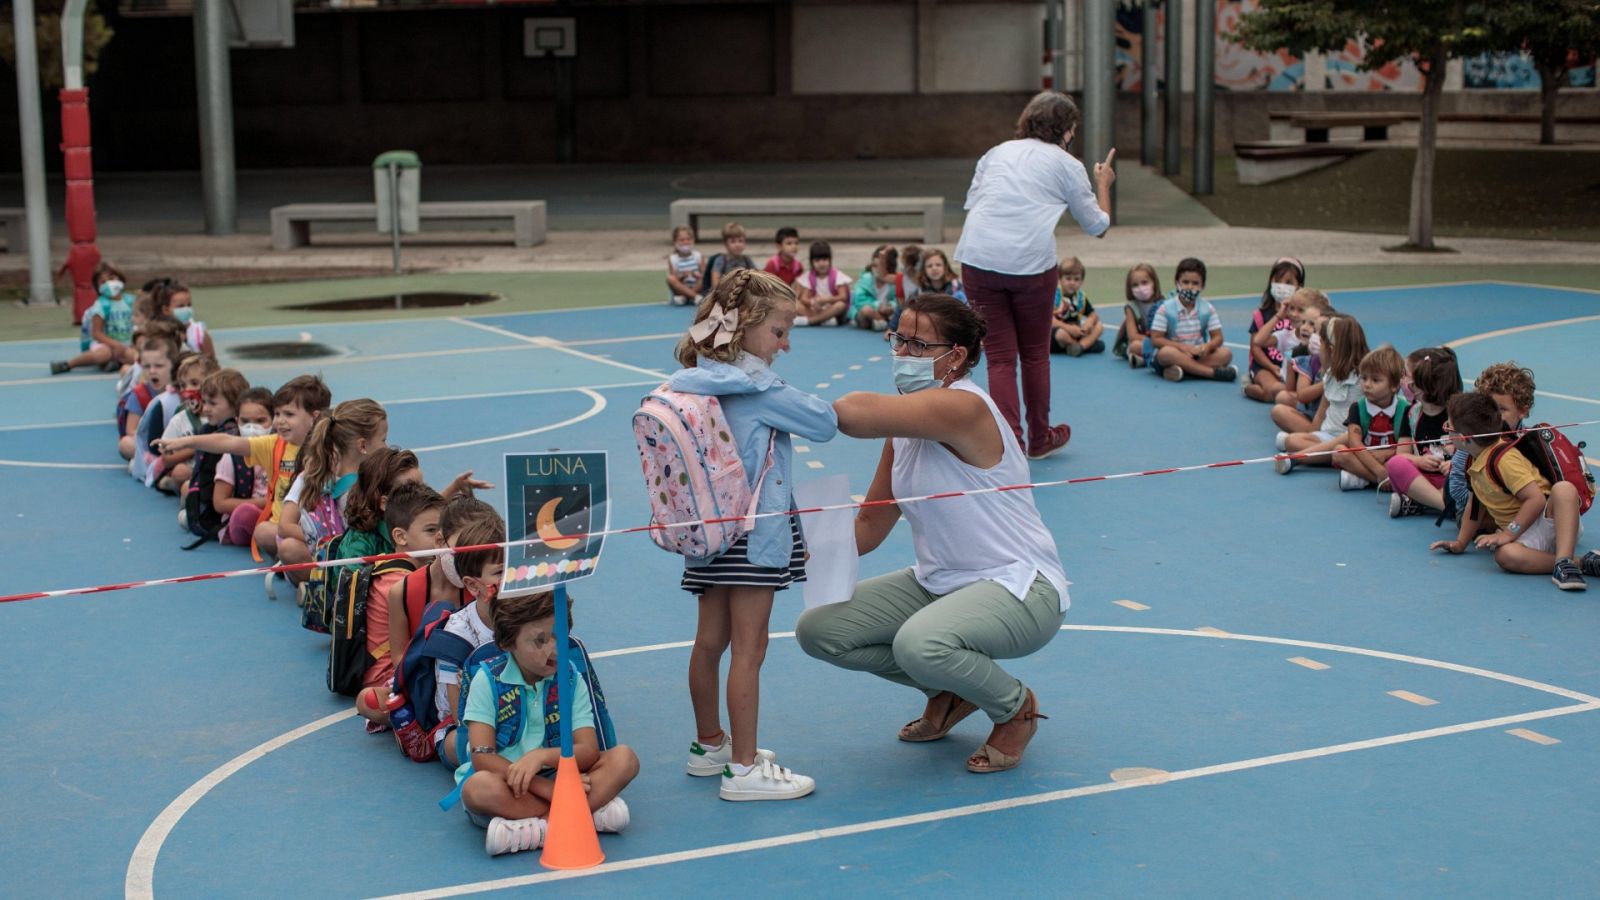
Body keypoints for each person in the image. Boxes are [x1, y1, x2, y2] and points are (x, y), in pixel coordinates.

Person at [798, 294, 1069, 774]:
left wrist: (775, 405)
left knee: (918, 644)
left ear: (956, 356)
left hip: (1020, 585)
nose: (902, 353)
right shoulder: (903, 430)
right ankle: (949, 690)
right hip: (940, 583)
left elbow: (853, 411)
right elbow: (868, 526)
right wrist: (788, 551)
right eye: (898, 339)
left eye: (918, 345)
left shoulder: (962, 408)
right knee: (819, 631)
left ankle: (1013, 708)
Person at [668, 269, 838, 801]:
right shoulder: (758, 386)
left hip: (707, 530)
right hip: (751, 536)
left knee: (709, 642)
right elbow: (824, 422)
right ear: (744, 329)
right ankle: (743, 770)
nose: (785, 344)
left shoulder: (694, 378)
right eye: (780, 332)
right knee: (750, 648)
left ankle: (709, 746)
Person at [953, 90, 1114, 460]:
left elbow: (976, 202)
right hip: (1030, 266)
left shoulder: (996, 152)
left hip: (977, 258)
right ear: (1068, 130)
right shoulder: (1067, 164)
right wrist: (1103, 183)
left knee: (1000, 358)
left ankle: (1009, 443)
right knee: (1035, 355)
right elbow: (1098, 227)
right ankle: (1039, 437)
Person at [455, 590, 640, 856]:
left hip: (565, 777)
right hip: (510, 783)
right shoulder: (487, 680)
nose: (553, 648)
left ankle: (539, 829)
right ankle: (581, 816)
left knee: (624, 758)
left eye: (558, 634)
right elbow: (482, 757)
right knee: (477, 789)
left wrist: (542, 757)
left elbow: (588, 751)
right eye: (539, 641)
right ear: (508, 643)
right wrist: (547, 788)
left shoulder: (570, 678)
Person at [158, 375, 331, 588]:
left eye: (289, 414)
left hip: (323, 531)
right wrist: (186, 441)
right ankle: (305, 577)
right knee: (266, 533)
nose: (279, 421)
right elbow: (228, 442)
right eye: (277, 414)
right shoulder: (274, 445)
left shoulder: (330, 450)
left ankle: (311, 578)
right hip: (286, 530)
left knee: (292, 544)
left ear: (315, 417)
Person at [1431, 392, 1599, 591]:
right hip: (1526, 536)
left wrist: (1508, 534)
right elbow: (1474, 506)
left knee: (1563, 489)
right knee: (1504, 555)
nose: (1447, 432)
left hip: (1551, 521)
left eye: (1448, 427)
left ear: (1462, 438)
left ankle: (1564, 562)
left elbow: (1535, 500)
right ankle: (1581, 563)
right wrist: (1460, 544)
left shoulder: (1504, 459)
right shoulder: (1474, 460)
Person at [353, 482, 446, 727]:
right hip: (392, 674)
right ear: (400, 536)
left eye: (443, 532)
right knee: (371, 701)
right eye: (431, 531)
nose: (440, 539)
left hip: (417, 662)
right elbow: (419, 643)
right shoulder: (399, 582)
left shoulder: (408, 566)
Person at [276, 399, 390, 586]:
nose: (386, 447)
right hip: (358, 575)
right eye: (383, 440)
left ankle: (317, 587)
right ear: (362, 446)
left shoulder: (337, 486)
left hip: (336, 563)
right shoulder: (361, 492)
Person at [1275, 315, 1368, 475]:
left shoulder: (1363, 379)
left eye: (1322, 342)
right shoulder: (1331, 375)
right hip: (1328, 435)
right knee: (1292, 440)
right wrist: (1310, 436)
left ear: (1331, 350)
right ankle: (1323, 454)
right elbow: (1320, 415)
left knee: (1346, 440)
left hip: (1352, 438)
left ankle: (1298, 458)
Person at [1386, 348, 1462, 517]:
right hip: (1423, 479)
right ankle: (1445, 506)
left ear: (1421, 383)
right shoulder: (1411, 413)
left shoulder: (1458, 412)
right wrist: (1418, 460)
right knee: (1395, 465)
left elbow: (1474, 453)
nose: (1402, 380)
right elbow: (1402, 455)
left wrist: (1455, 465)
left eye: (1405, 375)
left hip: (1452, 478)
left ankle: (1422, 503)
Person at [1330, 345, 1410, 491]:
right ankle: (1383, 481)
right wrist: (1379, 472)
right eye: (1364, 378)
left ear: (1394, 385)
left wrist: (1386, 453)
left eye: (1375, 380)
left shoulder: (1404, 408)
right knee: (1339, 452)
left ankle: (1363, 479)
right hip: (1365, 458)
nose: (1366, 385)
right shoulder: (1357, 407)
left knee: (1401, 462)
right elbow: (1354, 442)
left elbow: (1406, 446)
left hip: (1390, 458)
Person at [1147, 257, 1236, 384]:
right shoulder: (1165, 308)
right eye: (1185, 282)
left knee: (1226, 354)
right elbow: (1156, 339)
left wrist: (1207, 347)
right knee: (1165, 353)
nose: (1190, 287)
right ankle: (1211, 373)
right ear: (1177, 283)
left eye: (1195, 283)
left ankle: (1185, 371)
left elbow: (1218, 337)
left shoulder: (1207, 308)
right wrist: (1182, 347)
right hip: (1175, 353)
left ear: (1202, 285)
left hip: (1197, 354)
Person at [51, 261, 136, 375]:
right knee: (103, 355)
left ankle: (115, 363)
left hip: (126, 343)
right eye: (103, 282)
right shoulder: (101, 305)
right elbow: (97, 333)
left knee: (134, 356)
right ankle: (68, 364)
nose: (109, 284)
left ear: (120, 279)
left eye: (112, 278)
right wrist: (115, 345)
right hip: (106, 344)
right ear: (98, 287)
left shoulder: (130, 301)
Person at [155, 353, 220, 493]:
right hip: (192, 470)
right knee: (180, 473)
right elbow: (166, 459)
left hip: (221, 471)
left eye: (195, 383)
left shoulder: (223, 415)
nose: (187, 390)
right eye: (183, 385)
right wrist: (197, 446)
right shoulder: (180, 419)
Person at [1243, 258, 1306, 402]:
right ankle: (1248, 387)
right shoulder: (1261, 315)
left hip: (1292, 369)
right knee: (1275, 391)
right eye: (1278, 280)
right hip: (1265, 367)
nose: (1282, 286)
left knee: (1293, 392)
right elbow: (1256, 346)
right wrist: (1271, 367)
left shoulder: (1302, 317)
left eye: (1289, 283)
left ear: (1299, 287)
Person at [1049, 256, 1104, 356]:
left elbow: (1093, 314)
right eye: (1068, 278)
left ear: (1081, 281)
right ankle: (1084, 346)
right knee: (1061, 334)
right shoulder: (1055, 295)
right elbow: (1049, 320)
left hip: (1077, 332)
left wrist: (1089, 322)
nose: (1072, 283)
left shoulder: (1080, 297)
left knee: (1099, 327)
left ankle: (1079, 347)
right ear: (1060, 279)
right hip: (1057, 335)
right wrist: (1068, 328)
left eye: (1076, 279)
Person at [793, 240, 851, 327]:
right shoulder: (809, 276)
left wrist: (826, 300)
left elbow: (843, 297)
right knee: (794, 304)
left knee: (840, 305)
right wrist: (813, 303)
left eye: (824, 259)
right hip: (816, 310)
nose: (821, 264)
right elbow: (803, 298)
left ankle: (811, 321)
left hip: (833, 311)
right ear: (812, 262)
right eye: (817, 260)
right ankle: (824, 319)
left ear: (830, 260)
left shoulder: (837, 275)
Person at [1113, 263, 1161, 366]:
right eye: (1135, 285)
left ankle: (1144, 361)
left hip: (1161, 342)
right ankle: (1156, 361)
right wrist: (1156, 341)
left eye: (1144, 282)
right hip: (1145, 342)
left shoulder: (1163, 303)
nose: (1140, 288)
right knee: (1135, 346)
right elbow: (1132, 336)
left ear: (1154, 283)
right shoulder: (1131, 307)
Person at [849, 245, 903, 332]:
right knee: (866, 310)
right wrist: (878, 306)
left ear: (889, 267)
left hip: (887, 313)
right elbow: (859, 300)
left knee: (900, 313)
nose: (876, 269)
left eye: (880, 266)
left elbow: (900, 300)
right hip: (867, 311)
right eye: (874, 265)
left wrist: (891, 306)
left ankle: (882, 322)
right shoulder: (866, 278)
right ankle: (882, 322)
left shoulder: (895, 280)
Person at [704, 222, 754, 295]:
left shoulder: (747, 260)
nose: (737, 245)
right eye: (733, 242)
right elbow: (715, 284)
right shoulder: (720, 260)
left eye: (740, 241)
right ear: (726, 244)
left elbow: (756, 277)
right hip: (723, 295)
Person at [666, 225, 703, 306]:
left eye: (688, 239)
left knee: (705, 278)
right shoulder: (673, 259)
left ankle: (687, 297)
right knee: (671, 278)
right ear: (675, 243)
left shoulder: (698, 256)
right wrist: (683, 276)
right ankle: (695, 297)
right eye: (682, 240)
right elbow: (675, 279)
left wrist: (696, 276)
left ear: (693, 240)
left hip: (696, 287)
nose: (686, 242)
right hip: (681, 289)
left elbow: (704, 275)